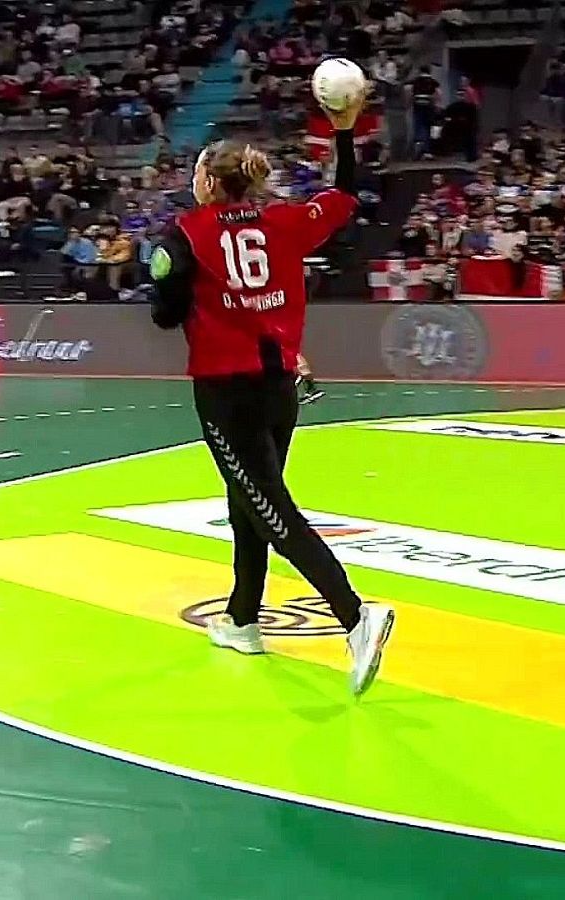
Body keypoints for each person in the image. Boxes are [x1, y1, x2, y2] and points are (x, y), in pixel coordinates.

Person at [147, 90, 395, 696]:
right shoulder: (285, 222)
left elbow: (163, 311)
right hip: (278, 384)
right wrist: (343, 130)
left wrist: (169, 284)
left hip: (225, 391)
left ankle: (356, 615)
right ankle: (241, 617)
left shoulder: (184, 233)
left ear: (207, 182)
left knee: (269, 507)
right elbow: (341, 197)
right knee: (250, 496)